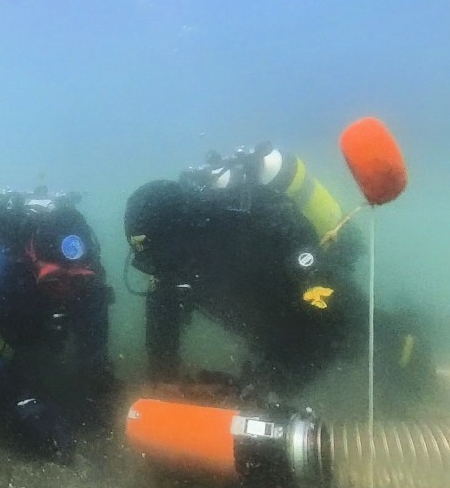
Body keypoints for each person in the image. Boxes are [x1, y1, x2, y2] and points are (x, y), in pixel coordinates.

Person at [124, 144, 433, 401]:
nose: (159, 269)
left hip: (311, 295)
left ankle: (405, 342)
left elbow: (319, 326)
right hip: (272, 317)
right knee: (270, 360)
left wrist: (269, 384)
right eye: (150, 261)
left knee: (350, 330)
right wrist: (162, 377)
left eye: (159, 256)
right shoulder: (177, 263)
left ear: (178, 234)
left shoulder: (253, 232)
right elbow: (162, 315)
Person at [0, 186, 117, 461]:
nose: (67, 291)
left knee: (88, 296)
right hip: (2, 312)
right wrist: (15, 401)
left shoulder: (85, 271)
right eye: (56, 282)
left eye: (76, 281)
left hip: (30, 321)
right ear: (31, 258)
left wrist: (95, 372)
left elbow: (94, 310)